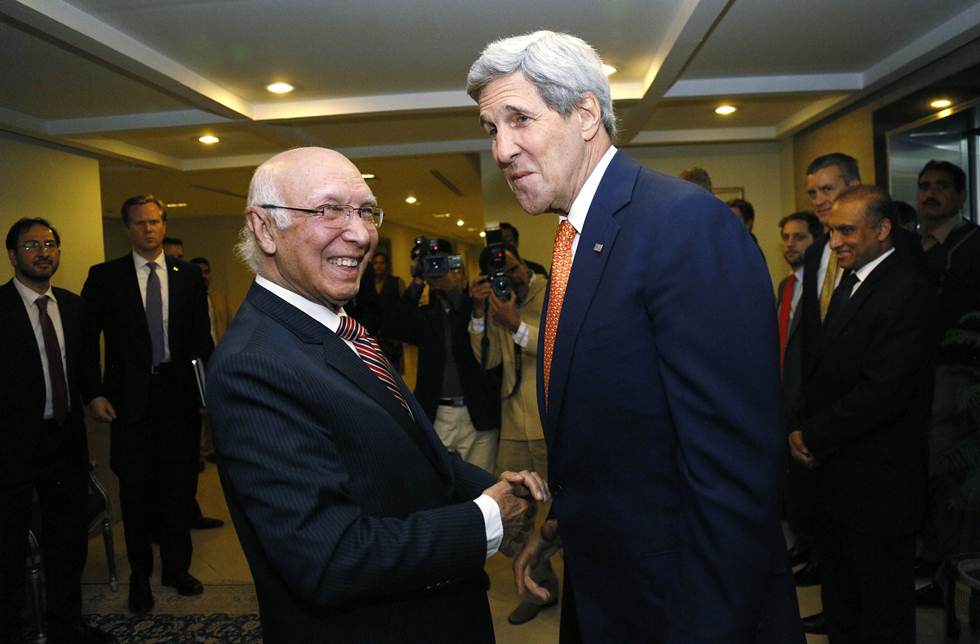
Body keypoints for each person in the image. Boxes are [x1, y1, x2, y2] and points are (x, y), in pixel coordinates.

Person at [467, 30, 801, 643]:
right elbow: (611, 434)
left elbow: (735, 473)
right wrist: (553, 535)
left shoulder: (683, 225)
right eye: (491, 128)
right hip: (608, 589)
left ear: (586, 114)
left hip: (683, 607)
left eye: (519, 120)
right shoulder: (580, 236)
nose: (502, 148)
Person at [206, 146, 547, 643]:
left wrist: (503, 491)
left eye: (366, 211)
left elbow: (415, 452)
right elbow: (329, 558)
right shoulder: (254, 366)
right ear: (264, 228)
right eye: (329, 210)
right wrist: (487, 520)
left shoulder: (335, 325)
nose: (362, 233)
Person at [789, 185, 936, 643]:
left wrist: (812, 435)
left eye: (847, 230)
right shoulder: (852, 282)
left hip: (880, 486)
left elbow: (883, 391)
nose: (835, 242)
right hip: (838, 481)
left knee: (881, 611)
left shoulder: (906, 290)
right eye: (832, 231)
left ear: (883, 229)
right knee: (844, 602)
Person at [81, 195, 213, 614]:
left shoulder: (189, 276)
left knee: (178, 490)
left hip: (178, 401)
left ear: (164, 223)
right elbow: (85, 344)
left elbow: (202, 345)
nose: (149, 229)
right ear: (127, 228)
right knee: (137, 496)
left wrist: (209, 395)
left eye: (155, 222)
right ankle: (141, 577)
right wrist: (93, 393)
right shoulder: (105, 278)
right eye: (140, 223)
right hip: (128, 404)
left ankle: (177, 568)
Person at [0, 219, 113, 644]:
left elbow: (85, 365)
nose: (42, 252)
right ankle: (12, 629)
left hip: (64, 437)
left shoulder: (73, 306)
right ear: (13, 255)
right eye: (31, 245)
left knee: (67, 541)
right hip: (10, 445)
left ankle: (67, 625)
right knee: (7, 546)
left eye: (50, 244)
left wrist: (94, 395)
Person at [469, 241, 559, 625]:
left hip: (549, 423)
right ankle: (541, 584)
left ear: (526, 265)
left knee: (568, 513)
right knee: (511, 517)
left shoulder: (552, 292)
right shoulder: (498, 302)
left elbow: (559, 348)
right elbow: (488, 359)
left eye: (515, 269)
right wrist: (479, 314)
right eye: (501, 274)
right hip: (512, 426)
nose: (511, 279)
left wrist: (516, 324)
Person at [915, 160, 980, 604]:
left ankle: (952, 573)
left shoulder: (972, 245)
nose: (930, 194)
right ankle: (934, 561)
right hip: (918, 376)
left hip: (958, 378)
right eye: (924, 187)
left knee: (950, 476)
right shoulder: (912, 245)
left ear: (959, 195)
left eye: (941, 187)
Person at [386, 243, 500, 472]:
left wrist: (453, 290)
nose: (444, 273)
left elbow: (469, 328)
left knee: (483, 485)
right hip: (436, 412)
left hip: (478, 413)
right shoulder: (427, 315)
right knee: (439, 483)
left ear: (464, 273)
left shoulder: (479, 306)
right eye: (436, 267)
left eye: (451, 267)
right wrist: (418, 282)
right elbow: (395, 326)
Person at [776, 211, 823, 590]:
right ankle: (805, 547)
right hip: (781, 395)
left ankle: (817, 556)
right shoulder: (786, 286)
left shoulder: (822, 290)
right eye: (787, 237)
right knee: (793, 485)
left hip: (808, 401)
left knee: (812, 487)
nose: (791, 244)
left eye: (800, 238)